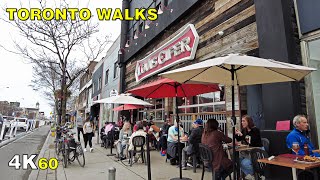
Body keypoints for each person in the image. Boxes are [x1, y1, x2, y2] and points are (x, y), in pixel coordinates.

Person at [235, 115, 263, 180]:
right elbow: (239, 139)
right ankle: (252, 174)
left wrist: (242, 135)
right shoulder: (244, 130)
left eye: (244, 121)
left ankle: (256, 174)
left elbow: (251, 142)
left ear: (249, 121)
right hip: (249, 151)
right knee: (238, 161)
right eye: (241, 121)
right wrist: (236, 134)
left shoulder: (255, 130)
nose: (242, 122)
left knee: (244, 163)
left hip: (257, 151)